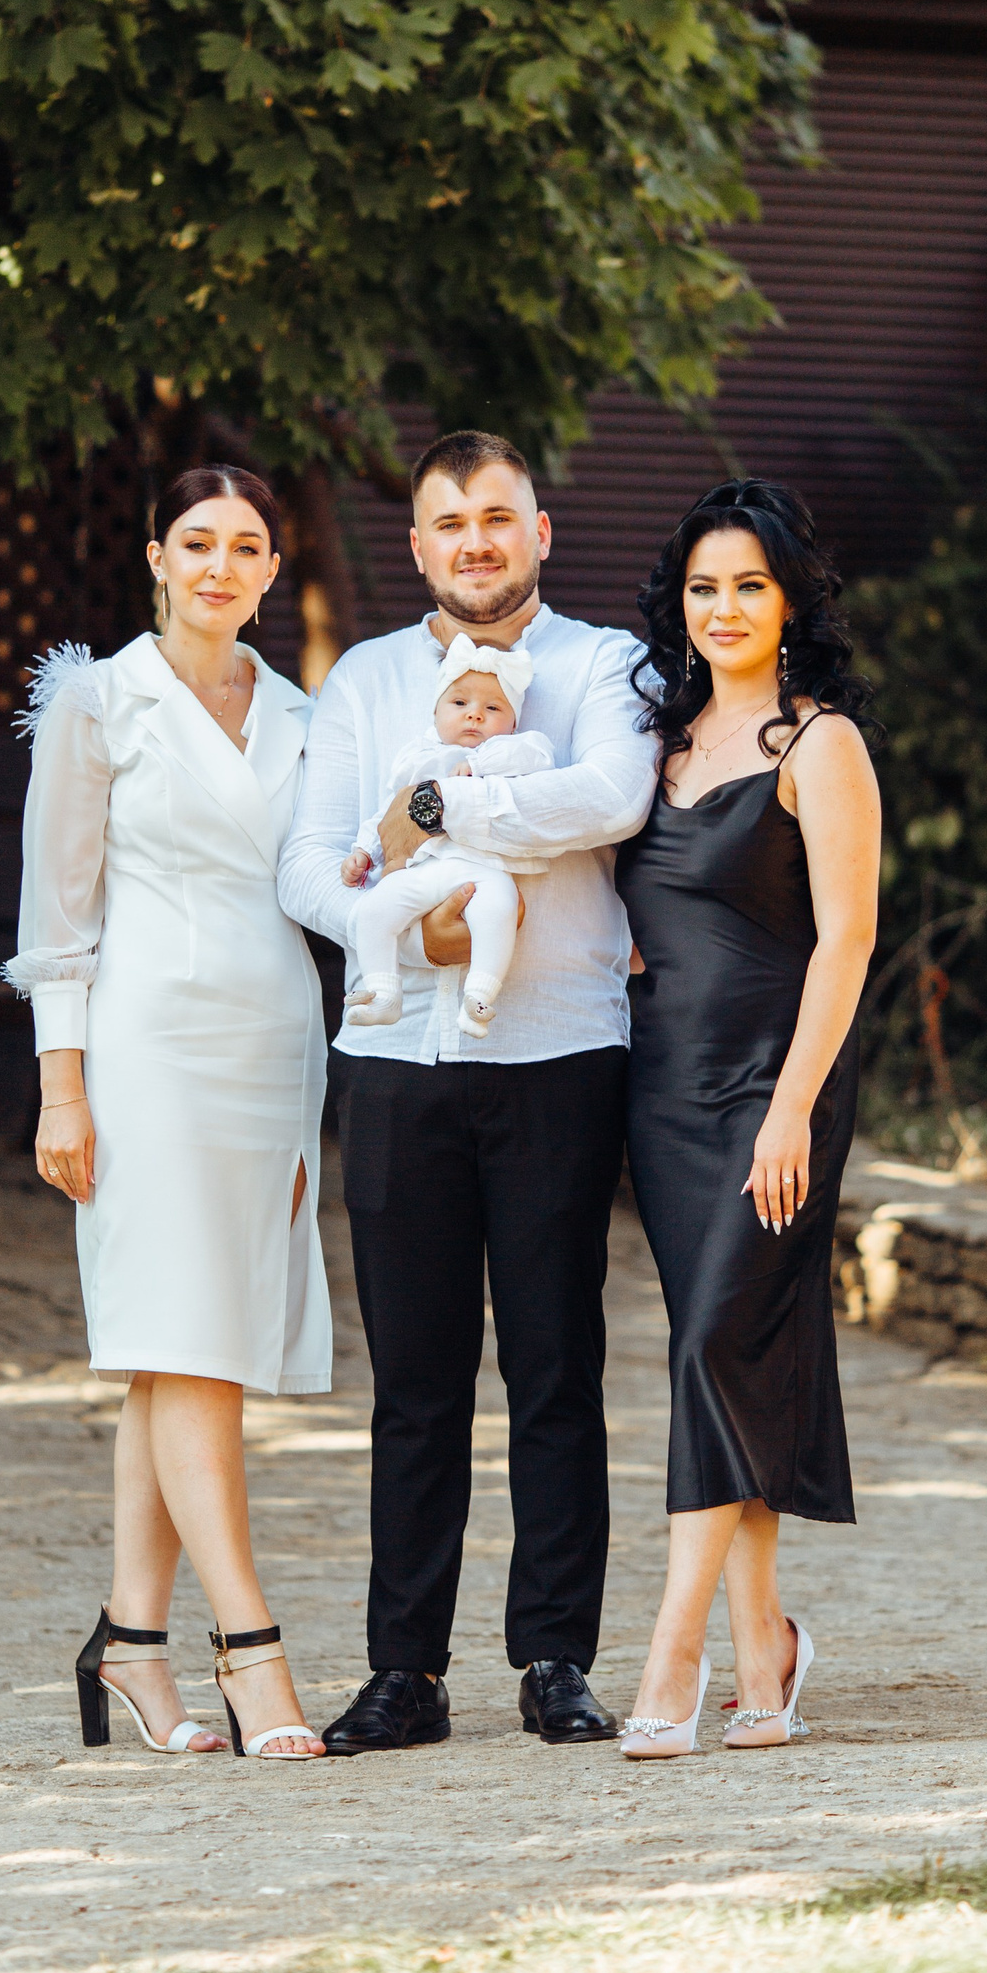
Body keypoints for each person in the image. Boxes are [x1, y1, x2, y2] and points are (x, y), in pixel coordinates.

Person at [278, 431, 657, 1754]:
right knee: (415, 1383)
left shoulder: (606, 665)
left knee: (556, 1368)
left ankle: (556, 1658)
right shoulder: (365, 678)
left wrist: (431, 813)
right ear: (420, 545)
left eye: (499, 517)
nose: (476, 542)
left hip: (559, 1054)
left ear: (539, 531)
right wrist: (409, 910)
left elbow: (612, 797)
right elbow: (309, 867)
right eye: (451, 522)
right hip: (395, 1068)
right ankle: (406, 1672)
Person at [6, 467, 333, 1763]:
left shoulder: (302, 713)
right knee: (194, 1347)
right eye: (196, 541)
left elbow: (327, 879)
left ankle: (131, 1642)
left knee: (181, 1344)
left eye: (246, 547)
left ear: (271, 571)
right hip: (147, 1050)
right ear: (155, 556)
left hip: (274, 1053)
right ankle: (251, 1649)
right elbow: (56, 916)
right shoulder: (99, 703)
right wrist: (62, 1088)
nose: (219, 566)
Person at [614, 479, 880, 1759]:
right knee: (725, 1355)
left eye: (749, 586)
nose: (723, 608)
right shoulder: (653, 746)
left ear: (789, 602)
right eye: (703, 587)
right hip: (663, 1094)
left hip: (778, 1092)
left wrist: (791, 1114)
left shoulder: (821, 745)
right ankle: (766, 1641)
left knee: (714, 1344)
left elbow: (848, 941)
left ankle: (674, 1652)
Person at [341, 635, 552, 1040]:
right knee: (373, 911)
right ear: (435, 712)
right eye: (459, 703)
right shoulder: (417, 757)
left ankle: (480, 997)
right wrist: (364, 850)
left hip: (483, 870)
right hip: (421, 868)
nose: (475, 715)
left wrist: (480, 762)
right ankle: (383, 992)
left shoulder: (516, 748)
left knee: (499, 910)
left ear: (513, 722)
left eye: (493, 708)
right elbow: (389, 810)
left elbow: (540, 757)